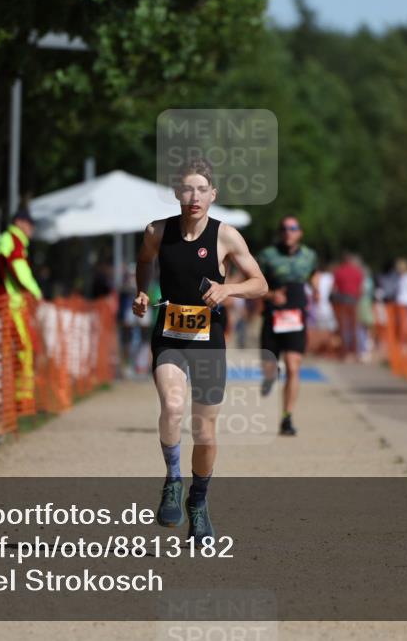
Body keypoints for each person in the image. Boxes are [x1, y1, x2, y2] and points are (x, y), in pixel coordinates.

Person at [132, 158, 267, 543]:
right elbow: (143, 262)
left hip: (209, 341)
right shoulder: (157, 231)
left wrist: (229, 289)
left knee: (204, 431)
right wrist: (141, 292)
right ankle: (173, 481)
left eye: (201, 190)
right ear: (177, 193)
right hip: (169, 336)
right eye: (187, 189)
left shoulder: (226, 236)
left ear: (212, 195)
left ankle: (199, 501)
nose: (193, 197)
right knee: (172, 408)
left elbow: (260, 283)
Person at [257, 216, 319, 436]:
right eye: (284, 228)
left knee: (294, 366)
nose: (288, 232)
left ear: (300, 232)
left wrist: (317, 290)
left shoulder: (310, 256)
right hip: (273, 315)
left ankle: (287, 417)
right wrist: (272, 294)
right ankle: (270, 377)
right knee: (270, 366)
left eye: (293, 228)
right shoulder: (267, 256)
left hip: (296, 316)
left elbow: (314, 275)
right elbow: (254, 282)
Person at [0, 206, 43, 405]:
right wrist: (36, 293)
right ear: (20, 223)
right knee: (23, 347)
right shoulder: (13, 241)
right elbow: (20, 272)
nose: (32, 230)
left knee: (8, 350)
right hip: (10, 305)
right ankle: (21, 398)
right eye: (30, 225)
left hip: (5, 304)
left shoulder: (6, 240)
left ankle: (9, 397)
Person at [330, 251, 363, 361]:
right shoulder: (357, 271)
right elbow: (360, 288)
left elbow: (334, 288)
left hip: (342, 301)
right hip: (353, 300)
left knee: (343, 327)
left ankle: (343, 353)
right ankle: (354, 352)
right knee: (354, 327)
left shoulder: (338, 271)